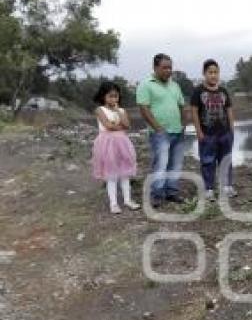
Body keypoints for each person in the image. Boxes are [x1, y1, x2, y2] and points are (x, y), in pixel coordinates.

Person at [136, 53, 187, 206]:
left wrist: (183, 124)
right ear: (155, 67)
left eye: (170, 67)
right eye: (165, 67)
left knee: (176, 164)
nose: (168, 70)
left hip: (177, 131)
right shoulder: (146, 84)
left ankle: (172, 192)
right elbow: (143, 108)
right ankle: (157, 194)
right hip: (160, 133)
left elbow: (182, 105)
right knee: (161, 164)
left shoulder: (174, 85)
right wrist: (157, 128)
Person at [190, 59, 236, 200]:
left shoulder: (223, 91)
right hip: (207, 134)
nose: (213, 75)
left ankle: (227, 186)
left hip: (224, 133)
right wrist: (198, 131)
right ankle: (208, 189)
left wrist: (232, 130)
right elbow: (194, 112)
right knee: (208, 161)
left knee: (226, 159)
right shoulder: (198, 91)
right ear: (204, 73)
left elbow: (229, 111)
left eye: (216, 72)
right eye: (210, 72)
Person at [90, 81, 139, 214]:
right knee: (111, 175)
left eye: (116, 96)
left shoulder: (121, 110)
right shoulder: (100, 110)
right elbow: (108, 126)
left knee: (125, 173)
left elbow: (128, 125)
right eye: (110, 96)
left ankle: (128, 200)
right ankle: (113, 203)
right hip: (107, 144)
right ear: (103, 96)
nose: (113, 99)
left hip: (122, 143)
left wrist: (118, 112)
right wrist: (119, 126)